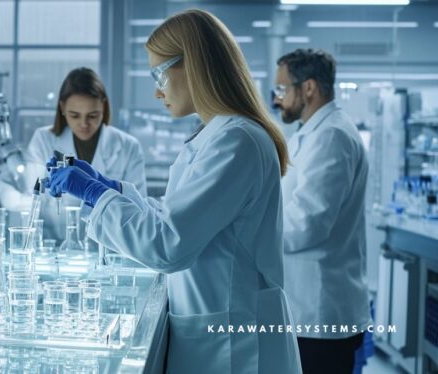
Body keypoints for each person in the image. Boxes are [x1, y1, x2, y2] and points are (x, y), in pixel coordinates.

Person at [45, 10, 301, 373]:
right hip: (216, 324)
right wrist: (111, 188)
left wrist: (96, 195)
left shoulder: (235, 140)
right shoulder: (217, 134)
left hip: (233, 343)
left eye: (160, 73)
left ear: (194, 64)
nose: (156, 89)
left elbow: (168, 244)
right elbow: (177, 217)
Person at [274, 49, 370, 374]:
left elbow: (307, 224)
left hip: (320, 312)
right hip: (308, 307)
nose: (278, 99)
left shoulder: (332, 136)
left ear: (309, 88)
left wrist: (250, 231)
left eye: (283, 89)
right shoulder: (314, 133)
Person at [0, 67, 147, 240]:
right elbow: (34, 198)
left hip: (112, 249)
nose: (84, 124)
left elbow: (139, 208)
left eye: (93, 115)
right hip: (57, 247)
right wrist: (4, 191)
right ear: (62, 108)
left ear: (103, 107)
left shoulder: (128, 147)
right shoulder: (44, 140)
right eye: (75, 115)